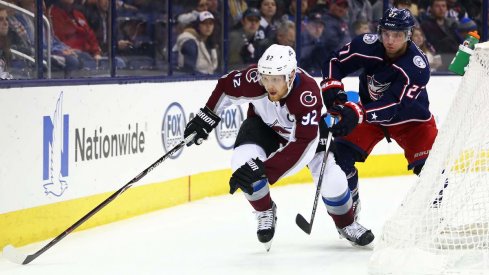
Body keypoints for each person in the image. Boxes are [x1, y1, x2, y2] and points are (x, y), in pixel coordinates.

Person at [183, 44, 375, 251]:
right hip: (265, 128)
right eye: (265, 78)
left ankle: (347, 223)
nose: (269, 85)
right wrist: (207, 116)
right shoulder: (254, 79)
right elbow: (225, 86)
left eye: (276, 79)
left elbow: (303, 145)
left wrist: (265, 170)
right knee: (241, 162)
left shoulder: (306, 94)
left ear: (291, 75)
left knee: (333, 181)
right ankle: (265, 211)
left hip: (307, 137)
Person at [320, 8, 438, 221]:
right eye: (386, 33)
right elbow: (334, 62)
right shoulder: (367, 45)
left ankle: (437, 216)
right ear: (380, 31)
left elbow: (394, 104)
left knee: (433, 169)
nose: (390, 40)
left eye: (398, 35)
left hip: (411, 121)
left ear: (409, 35)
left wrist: (355, 111)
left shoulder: (417, 67)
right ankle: (351, 205)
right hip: (369, 115)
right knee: (339, 157)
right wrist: (332, 90)